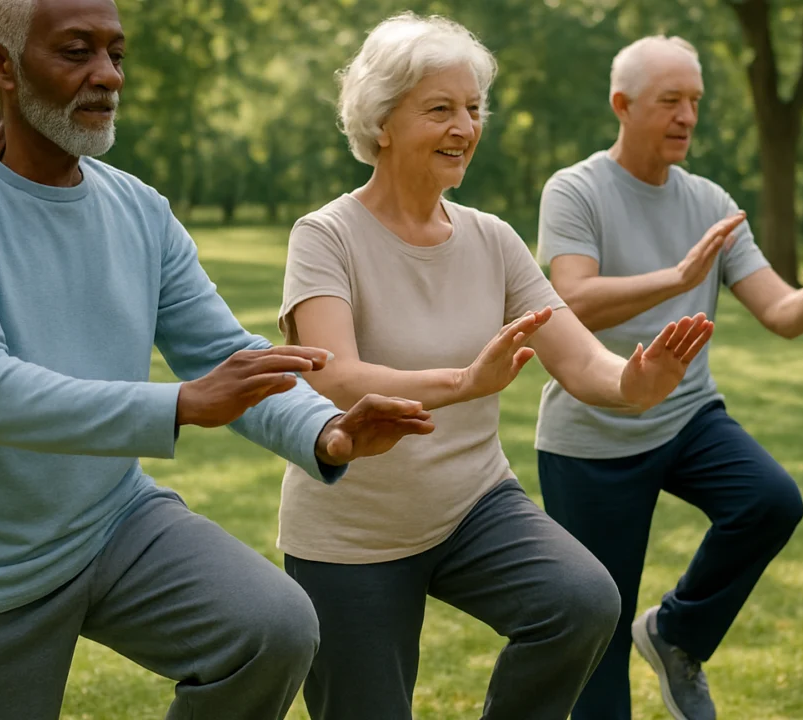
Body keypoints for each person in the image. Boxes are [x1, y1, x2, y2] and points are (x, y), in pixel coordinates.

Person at [0, 1, 434, 718]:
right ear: (0, 66)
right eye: (76, 51)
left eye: (115, 53)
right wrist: (179, 404)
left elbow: (227, 352)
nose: (107, 75)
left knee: (270, 629)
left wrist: (326, 430)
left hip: (112, 522)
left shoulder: (139, 209)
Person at [277, 14, 719, 720]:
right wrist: (461, 384)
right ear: (382, 122)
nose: (465, 127)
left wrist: (633, 384)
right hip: (351, 531)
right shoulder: (326, 235)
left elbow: (580, 359)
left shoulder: (493, 240)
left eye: (474, 109)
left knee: (581, 601)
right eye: (441, 109)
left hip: (472, 505)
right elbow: (332, 376)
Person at [534, 36, 803, 720]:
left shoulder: (711, 201)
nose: (688, 116)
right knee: (600, 621)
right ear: (622, 105)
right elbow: (571, 299)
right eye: (670, 101)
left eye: (695, 101)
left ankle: (676, 632)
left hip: (688, 418)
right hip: (593, 435)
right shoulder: (575, 190)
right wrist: (678, 279)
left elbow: (780, 311)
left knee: (771, 502)